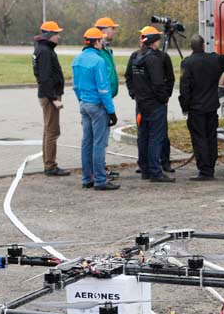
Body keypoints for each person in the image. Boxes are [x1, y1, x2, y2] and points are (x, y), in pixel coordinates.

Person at [179, 34, 224, 180]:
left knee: (199, 139)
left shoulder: (187, 63)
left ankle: (204, 171)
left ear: (191, 47)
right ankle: (210, 168)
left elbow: (184, 88)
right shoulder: (214, 60)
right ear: (204, 45)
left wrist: (185, 107)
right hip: (211, 107)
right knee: (211, 138)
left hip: (196, 109)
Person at [125, 26, 175, 183]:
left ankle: (145, 169)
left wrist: (134, 94)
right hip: (154, 105)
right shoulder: (154, 59)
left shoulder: (135, 56)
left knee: (143, 137)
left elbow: (128, 77)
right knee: (155, 137)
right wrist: (164, 98)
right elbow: (159, 83)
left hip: (141, 104)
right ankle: (155, 172)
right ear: (154, 41)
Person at [72, 28, 118, 191]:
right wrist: (111, 111)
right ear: (96, 42)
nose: (102, 43)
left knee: (87, 142)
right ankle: (100, 179)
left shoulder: (77, 60)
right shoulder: (98, 61)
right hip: (98, 106)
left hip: (84, 104)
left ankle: (87, 178)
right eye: (100, 40)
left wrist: (82, 101)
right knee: (99, 143)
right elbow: (103, 89)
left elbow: (75, 87)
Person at [33, 20, 70, 176]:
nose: (58, 37)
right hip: (50, 96)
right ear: (48, 35)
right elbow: (45, 77)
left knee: (48, 130)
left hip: (48, 94)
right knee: (52, 131)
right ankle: (50, 165)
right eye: (56, 34)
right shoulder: (45, 51)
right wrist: (54, 98)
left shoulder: (42, 49)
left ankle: (49, 163)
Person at [94, 16, 121, 180]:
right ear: (104, 31)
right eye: (112, 28)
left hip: (107, 98)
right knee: (99, 138)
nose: (114, 31)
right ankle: (98, 171)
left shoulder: (106, 49)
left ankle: (100, 167)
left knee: (102, 138)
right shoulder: (98, 51)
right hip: (101, 100)